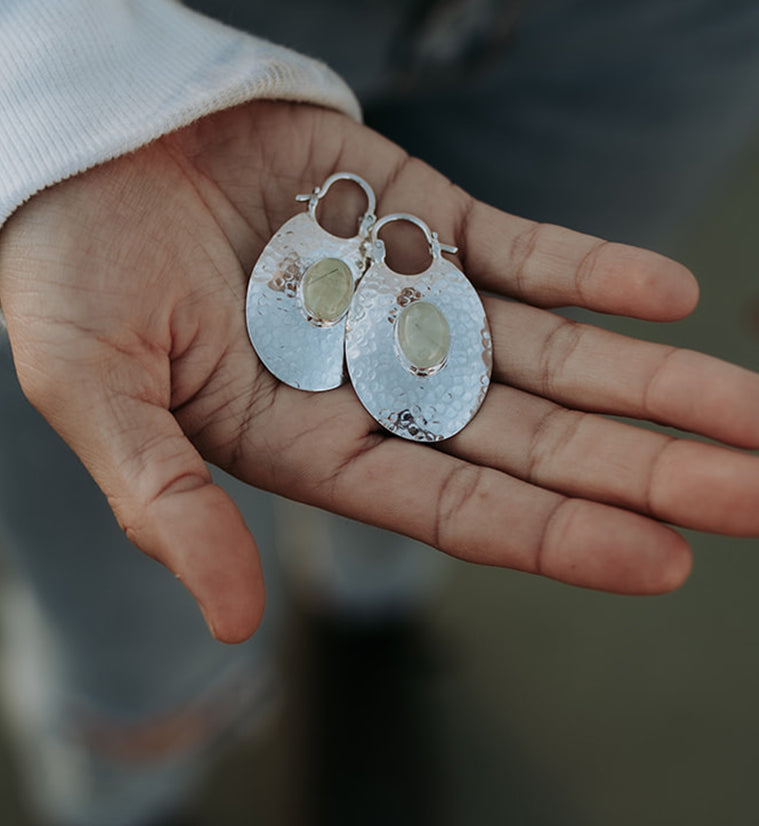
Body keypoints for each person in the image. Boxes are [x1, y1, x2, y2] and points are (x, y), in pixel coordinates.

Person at [1, 1, 758, 824]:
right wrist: (45, 91)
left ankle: (367, 616)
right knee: (139, 637)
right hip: (122, 53)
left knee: (454, 467)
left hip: (653, 38)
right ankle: (135, 775)